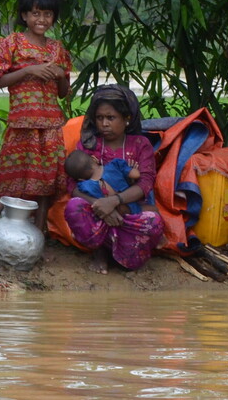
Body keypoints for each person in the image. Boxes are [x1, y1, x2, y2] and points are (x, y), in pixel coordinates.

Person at [0, 0, 72, 227]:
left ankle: (39, 235)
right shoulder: (10, 44)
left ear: (53, 17)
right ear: (24, 15)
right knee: (6, 181)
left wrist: (59, 76)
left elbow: (64, 92)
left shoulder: (58, 49)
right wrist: (29, 70)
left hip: (51, 127)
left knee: (45, 186)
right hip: (21, 124)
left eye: (47, 14)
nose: (41, 19)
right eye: (35, 13)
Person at [64, 85, 164, 272]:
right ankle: (100, 251)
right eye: (100, 118)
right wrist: (102, 207)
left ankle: (123, 252)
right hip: (98, 212)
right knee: (73, 207)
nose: (104, 124)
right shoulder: (88, 144)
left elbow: (145, 184)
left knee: (154, 222)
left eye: (111, 118)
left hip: (131, 213)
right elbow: (72, 186)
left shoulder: (141, 145)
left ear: (126, 119)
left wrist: (114, 201)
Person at [64, 148, 141, 213]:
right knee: (151, 210)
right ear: (94, 159)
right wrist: (130, 168)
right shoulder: (115, 165)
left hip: (111, 217)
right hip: (133, 208)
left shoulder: (84, 187)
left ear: (81, 179)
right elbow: (136, 175)